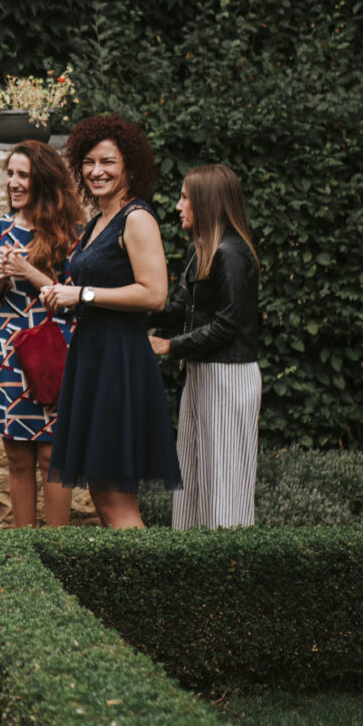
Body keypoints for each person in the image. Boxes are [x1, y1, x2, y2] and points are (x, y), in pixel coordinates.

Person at [42, 115, 182, 528]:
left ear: (129, 167)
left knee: (117, 502)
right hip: (93, 356)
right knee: (103, 496)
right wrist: (65, 297)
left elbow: (155, 294)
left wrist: (82, 294)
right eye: (88, 162)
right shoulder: (98, 222)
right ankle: (129, 571)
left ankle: (148, 572)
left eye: (107, 162)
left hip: (119, 362)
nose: (96, 171)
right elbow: (103, 289)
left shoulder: (136, 218)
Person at [0, 140, 83, 527]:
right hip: (7, 351)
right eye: (10, 174)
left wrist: (28, 272)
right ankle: (23, 549)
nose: (14, 182)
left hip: (53, 352)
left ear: (44, 180)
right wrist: (1, 279)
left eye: (24, 175)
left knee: (53, 456)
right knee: (17, 457)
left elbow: (76, 300)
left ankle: (55, 547)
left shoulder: (72, 233)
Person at [149, 164, 261, 530]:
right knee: (193, 476)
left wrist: (170, 346)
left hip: (229, 377)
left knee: (224, 482)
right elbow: (186, 310)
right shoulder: (201, 251)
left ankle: (229, 556)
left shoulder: (231, 253)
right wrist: (137, 312)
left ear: (207, 202)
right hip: (202, 373)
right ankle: (192, 553)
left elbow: (228, 325)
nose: (178, 206)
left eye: (185, 197)